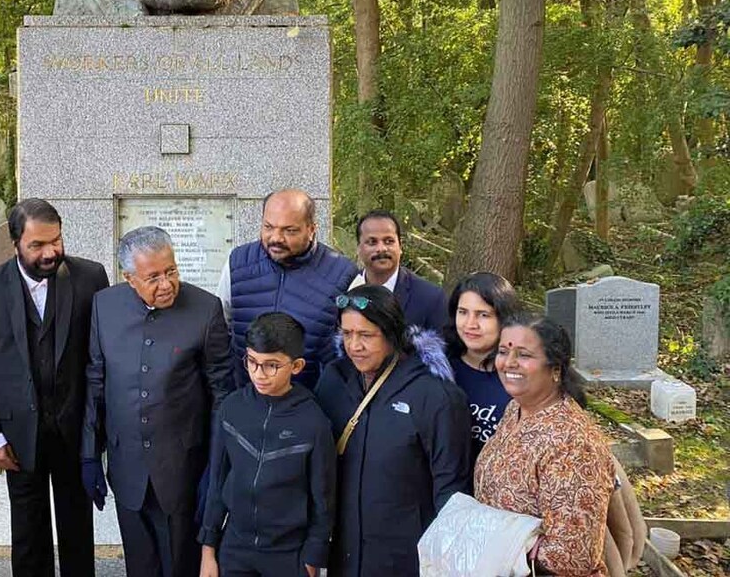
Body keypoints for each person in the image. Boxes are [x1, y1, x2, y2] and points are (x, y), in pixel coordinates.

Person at [0, 198, 109, 577]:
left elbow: (101, 357)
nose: (50, 252)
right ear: (15, 244)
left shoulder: (91, 277)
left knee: (78, 530)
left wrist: (99, 429)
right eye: (37, 246)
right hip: (15, 436)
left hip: (74, 431)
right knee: (28, 534)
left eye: (56, 241)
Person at [82, 226, 234, 577]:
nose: (166, 284)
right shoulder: (105, 306)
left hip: (182, 469)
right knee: (141, 567)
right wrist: (89, 452)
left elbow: (221, 394)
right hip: (127, 467)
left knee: (179, 566)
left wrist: (216, 463)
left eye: (171, 271)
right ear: (129, 278)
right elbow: (96, 381)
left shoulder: (205, 309)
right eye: (153, 277)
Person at [313, 284, 470, 576]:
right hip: (343, 556)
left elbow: (451, 492)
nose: (354, 346)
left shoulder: (435, 397)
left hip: (405, 559)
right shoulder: (334, 381)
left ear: (392, 334)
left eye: (366, 335)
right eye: (347, 334)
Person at [474, 314, 614, 577]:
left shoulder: (573, 444)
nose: (509, 363)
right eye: (504, 351)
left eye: (524, 355)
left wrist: (497, 543)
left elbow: (571, 557)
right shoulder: (515, 408)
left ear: (556, 370)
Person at [199, 312, 335, 577]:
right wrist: (208, 551)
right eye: (252, 362)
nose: (259, 374)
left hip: (288, 555)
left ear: (296, 366)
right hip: (234, 547)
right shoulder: (232, 408)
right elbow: (216, 482)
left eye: (271, 365)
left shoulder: (314, 422)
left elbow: (324, 500)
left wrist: (311, 561)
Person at [217, 189, 359, 388]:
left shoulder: (345, 275)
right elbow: (219, 329)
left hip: (312, 404)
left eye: (289, 230)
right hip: (245, 401)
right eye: (268, 227)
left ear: (311, 229)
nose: (276, 237)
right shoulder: (237, 263)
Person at [443, 271, 520, 462]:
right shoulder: (438, 367)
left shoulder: (521, 376)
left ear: (504, 319)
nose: (470, 324)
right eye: (463, 312)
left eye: (483, 315)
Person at [350, 210, 447, 332]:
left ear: (400, 247)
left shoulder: (431, 298)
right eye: (372, 242)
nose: (381, 249)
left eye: (389, 241)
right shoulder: (345, 289)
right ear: (358, 248)